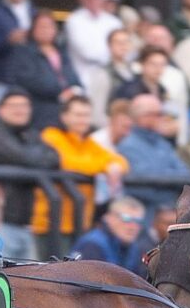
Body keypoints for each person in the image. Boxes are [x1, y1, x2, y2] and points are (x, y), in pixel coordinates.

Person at [0, 90, 58, 258]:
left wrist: (33, 157)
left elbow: (55, 157)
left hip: (24, 224)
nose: (20, 110)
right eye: (14, 105)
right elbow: (26, 158)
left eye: (24, 106)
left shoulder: (30, 134)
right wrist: (34, 157)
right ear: (0, 109)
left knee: (26, 282)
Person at [35, 94, 126, 242]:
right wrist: (105, 165)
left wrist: (114, 165)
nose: (83, 120)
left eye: (86, 115)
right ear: (64, 116)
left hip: (81, 222)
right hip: (51, 224)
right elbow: (68, 162)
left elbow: (120, 160)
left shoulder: (88, 142)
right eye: (78, 115)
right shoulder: (51, 136)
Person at [6, 9, 82, 131]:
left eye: (49, 26)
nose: (46, 30)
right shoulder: (23, 52)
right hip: (40, 109)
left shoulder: (62, 52)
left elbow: (74, 78)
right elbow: (30, 80)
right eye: (41, 26)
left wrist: (74, 90)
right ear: (33, 29)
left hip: (66, 108)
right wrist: (60, 93)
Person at [115, 93, 189, 216]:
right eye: (156, 114)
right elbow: (143, 186)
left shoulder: (163, 144)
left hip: (169, 211)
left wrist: (163, 179)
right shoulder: (128, 145)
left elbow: (185, 174)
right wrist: (172, 185)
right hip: (141, 215)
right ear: (139, 116)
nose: (161, 118)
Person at [64, 0, 122, 119]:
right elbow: (88, 52)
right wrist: (112, 52)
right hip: (83, 82)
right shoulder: (74, 20)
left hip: (111, 80)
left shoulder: (113, 22)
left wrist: (114, 52)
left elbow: (123, 49)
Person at [70, 195, 147, 275]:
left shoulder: (134, 248)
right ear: (109, 218)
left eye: (138, 221)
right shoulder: (92, 245)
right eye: (126, 219)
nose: (133, 227)